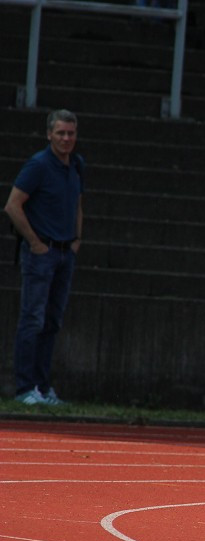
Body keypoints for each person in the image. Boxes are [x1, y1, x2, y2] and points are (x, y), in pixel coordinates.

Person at [5, 109, 83, 406]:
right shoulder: (38, 165)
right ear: (49, 134)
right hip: (43, 252)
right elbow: (13, 205)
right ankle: (25, 388)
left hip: (64, 251)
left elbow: (78, 203)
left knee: (52, 321)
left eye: (71, 133)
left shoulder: (76, 165)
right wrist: (35, 242)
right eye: (61, 133)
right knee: (32, 319)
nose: (66, 138)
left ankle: (42, 385)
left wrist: (77, 239)